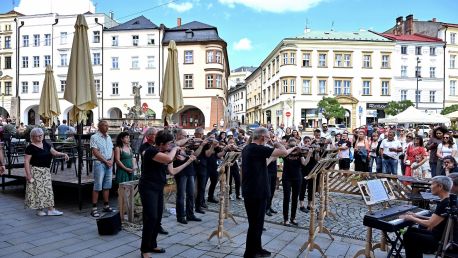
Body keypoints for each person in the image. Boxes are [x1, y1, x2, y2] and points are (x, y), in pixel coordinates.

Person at [242, 127, 287, 258]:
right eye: (267, 137)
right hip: (255, 192)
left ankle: (257, 248)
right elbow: (283, 152)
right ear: (262, 137)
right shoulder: (256, 148)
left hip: (256, 190)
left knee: (258, 223)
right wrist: (275, 141)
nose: (268, 139)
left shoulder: (249, 148)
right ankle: (249, 253)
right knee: (255, 224)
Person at [139, 130, 179, 257]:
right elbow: (168, 158)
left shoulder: (161, 152)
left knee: (157, 218)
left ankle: (152, 245)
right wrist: (176, 148)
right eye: (168, 144)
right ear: (161, 144)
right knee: (150, 217)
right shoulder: (151, 151)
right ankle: (144, 250)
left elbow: (170, 167)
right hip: (148, 188)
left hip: (157, 188)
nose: (170, 146)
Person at [401, 176, 452, 257]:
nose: (430, 187)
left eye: (432, 184)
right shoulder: (447, 200)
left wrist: (411, 218)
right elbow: (436, 219)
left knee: (410, 236)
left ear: (440, 186)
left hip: (439, 240)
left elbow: (430, 224)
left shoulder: (445, 203)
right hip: (439, 235)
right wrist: (416, 216)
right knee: (410, 231)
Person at [24, 128, 69, 216]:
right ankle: (39, 210)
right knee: (38, 191)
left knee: (48, 190)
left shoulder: (46, 144)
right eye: (38, 136)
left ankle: (51, 209)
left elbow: (54, 153)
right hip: (36, 171)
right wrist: (28, 175)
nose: (40, 137)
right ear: (33, 137)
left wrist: (64, 154)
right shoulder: (30, 147)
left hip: (46, 171)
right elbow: (26, 162)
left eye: (42, 135)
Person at [281, 138, 312, 226]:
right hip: (287, 177)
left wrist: (309, 154)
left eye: (294, 145)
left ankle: (293, 218)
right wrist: (291, 148)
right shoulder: (285, 151)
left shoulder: (300, 152)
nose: (294, 147)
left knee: (295, 198)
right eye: (291, 145)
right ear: (288, 145)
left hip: (297, 177)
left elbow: (305, 163)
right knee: (286, 198)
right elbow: (283, 155)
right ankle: (285, 219)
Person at [173, 129, 202, 224]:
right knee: (181, 195)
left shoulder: (188, 145)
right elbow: (176, 144)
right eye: (184, 136)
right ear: (178, 135)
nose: (186, 138)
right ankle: (180, 216)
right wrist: (188, 140)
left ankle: (190, 214)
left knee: (191, 194)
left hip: (190, 171)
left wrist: (201, 145)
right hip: (180, 172)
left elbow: (195, 155)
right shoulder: (175, 145)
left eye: (186, 136)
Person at [90, 120, 115, 217]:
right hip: (100, 163)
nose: (106, 127)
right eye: (104, 125)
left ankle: (106, 205)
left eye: (107, 126)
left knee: (107, 185)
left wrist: (112, 161)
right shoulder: (94, 137)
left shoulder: (108, 137)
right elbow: (95, 152)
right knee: (97, 185)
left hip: (109, 163)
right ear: (99, 126)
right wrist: (106, 161)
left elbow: (112, 149)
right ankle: (94, 208)